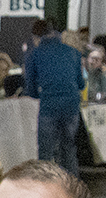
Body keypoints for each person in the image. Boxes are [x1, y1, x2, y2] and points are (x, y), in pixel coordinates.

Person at [23, 18, 85, 174]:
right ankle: (72, 186)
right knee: (69, 148)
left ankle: (45, 187)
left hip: (49, 106)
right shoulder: (74, 53)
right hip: (71, 106)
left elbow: (30, 86)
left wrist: (38, 94)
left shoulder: (34, 54)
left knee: (45, 152)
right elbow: (81, 84)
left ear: (38, 37)